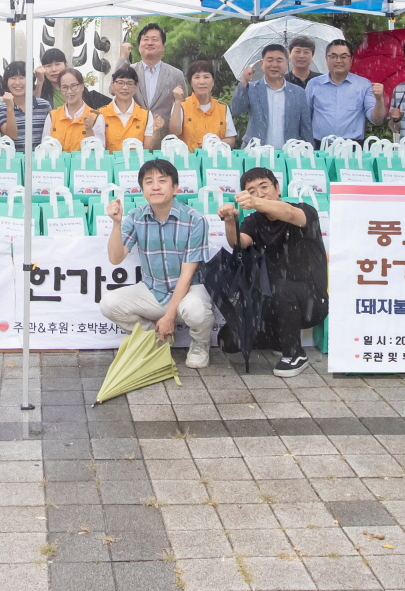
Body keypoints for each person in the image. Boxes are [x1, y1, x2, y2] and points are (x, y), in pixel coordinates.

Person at [100, 159, 213, 366]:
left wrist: (169, 317)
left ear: (175, 188)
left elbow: (187, 274)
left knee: (196, 310)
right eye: (149, 182)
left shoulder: (195, 220)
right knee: (109, 304)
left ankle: (200, 344)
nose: (155, 187)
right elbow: (116, 258)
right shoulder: (135, 216)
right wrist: (116, 223)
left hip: (189, 289)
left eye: (162, 181)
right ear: (142, 190)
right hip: (153, 290)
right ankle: (157, 337)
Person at [218, 167, 327, 377]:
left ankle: (295, 354)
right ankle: (278, 338)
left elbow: (290, 214)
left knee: (281, 286)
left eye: (264, 187)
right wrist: (230, 220)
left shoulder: (303, 210)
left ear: (277, 188)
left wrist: (256, 201)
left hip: (312, 301)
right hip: (272, 299)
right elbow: (239, 243)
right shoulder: (254, 221)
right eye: (251, 191)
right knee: (229, 341)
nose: (259, 193)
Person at [230, 44, 313, 148]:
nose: (274, 65)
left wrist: (310, 150)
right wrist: (244, 82)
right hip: (256, 152)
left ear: (287, 64)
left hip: (288, 153)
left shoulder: (298, 92)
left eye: (279, 60)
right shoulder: (251, 88)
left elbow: (306, 127)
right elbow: (236, 109)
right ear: (262, 63)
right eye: (270, 60)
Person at [306, 39, 384, 143]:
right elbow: (305, 117)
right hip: (321, 145)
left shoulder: (364, 85)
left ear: (351, 59)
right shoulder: (313, 84)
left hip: (353, 146)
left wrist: (379, 100)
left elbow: (376, 120)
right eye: (333, 56)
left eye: (343, 57)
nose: (338, 61)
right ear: (326, 58)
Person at [115, 22, 186, 130]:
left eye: (155, 39)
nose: (149, 43)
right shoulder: (130, 71)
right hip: (133, 132)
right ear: (139, 46)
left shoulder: (176, 74)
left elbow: (183, 105)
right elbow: (113, 90)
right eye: (145, 39)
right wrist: (123, 58)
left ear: (163, 47)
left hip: (164, 135)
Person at [171, 59, 235, 149]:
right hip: (189, 156)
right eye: (197, 77)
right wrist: (177, 101)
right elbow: (174, 132)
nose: (202, 82)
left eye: (206, 77)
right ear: (191, 83)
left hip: (215, 156)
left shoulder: (222, 108)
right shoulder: (181, 105)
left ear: (213, 82)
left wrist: (216, 143)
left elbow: (231, 139)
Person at [95, 64, 159, 150]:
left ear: (136, 87)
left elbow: (147, 148)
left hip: (136, 159)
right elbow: (98, 148)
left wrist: (156, 131)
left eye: (130, 83)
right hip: (110, 159)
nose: (125, 87)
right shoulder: (100, 114)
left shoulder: (145, 115)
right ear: (112, 85)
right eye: (120, 83)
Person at [0, 60, 48, 150]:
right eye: (13, 78)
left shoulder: (44, 106)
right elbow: (12, 135)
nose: (17, 82)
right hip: (13, 158)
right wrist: (10, 107)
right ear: (6, 81)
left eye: (22, 78)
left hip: (38, 157)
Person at [43, 68, 98, 151]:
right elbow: (44, 148)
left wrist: (89, 129)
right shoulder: (52, 116)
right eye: (64, 87)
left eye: (73, 86)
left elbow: (99, 151)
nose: (69, 91)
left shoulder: (95, 117)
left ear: (82, 87)